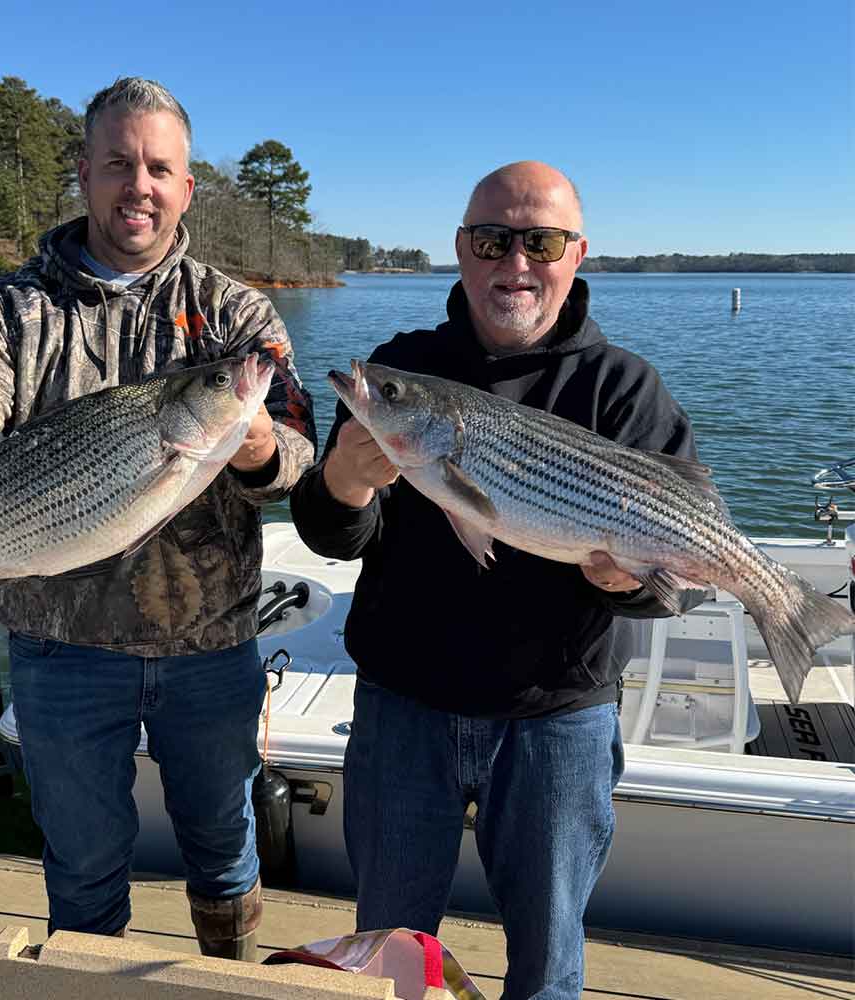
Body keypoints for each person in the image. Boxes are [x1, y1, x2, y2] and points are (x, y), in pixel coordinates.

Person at [0, 77, 316, 959]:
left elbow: (299, 455)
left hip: (211, 648)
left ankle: (227, 975)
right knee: (82, 872)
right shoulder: (7, 310)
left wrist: (260, 448)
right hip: (59, 650)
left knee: (225, 854)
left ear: (186, 187)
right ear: (84, 173)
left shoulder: (235, 316)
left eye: (159, 168)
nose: (139, 186)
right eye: (119, 163)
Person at [289, 161, 698, 999]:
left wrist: (625, 585)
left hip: (557, 720)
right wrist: (344, 484)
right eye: (492, 239)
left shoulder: (625, 388)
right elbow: (335, 537)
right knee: (386, 958)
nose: (516, 262)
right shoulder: (399, 372)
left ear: (576, 254)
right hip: (403, 710)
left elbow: (674, 584)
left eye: (541, 241)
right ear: (460, 248)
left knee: (548, 967)